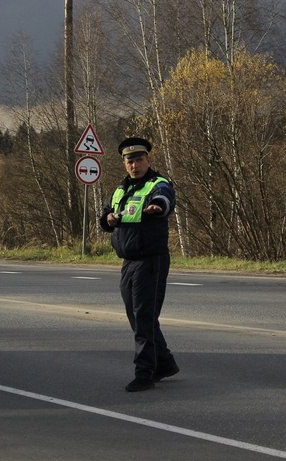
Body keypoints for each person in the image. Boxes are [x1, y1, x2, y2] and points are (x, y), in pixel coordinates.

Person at [99, 137, 179, 392]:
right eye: (130, 161)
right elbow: (105, 215)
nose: (135, 165)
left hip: (151, 260)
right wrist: (108, 218)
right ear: (124, 164)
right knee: (136, 316)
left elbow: (165, 199)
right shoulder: (121, 190)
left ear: (148, 160)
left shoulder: (158, 184)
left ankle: (144, 373)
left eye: (139, 160)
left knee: (144, 317)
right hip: (129, 261)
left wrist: (158, 206)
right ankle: (165, 363)